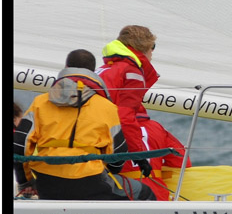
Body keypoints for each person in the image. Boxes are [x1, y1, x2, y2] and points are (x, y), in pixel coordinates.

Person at [14, 49, 156, 200]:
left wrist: (26, 182)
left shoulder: (40, 102)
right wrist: (107, 170)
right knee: (144, 194)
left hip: (47, 182)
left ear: (66, 67)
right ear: (93, 71)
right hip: (91, 180)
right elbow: (118, 155)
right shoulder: (106, 107)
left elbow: (19, 145)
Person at [96, 25, 159, 179]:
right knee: (145, 194)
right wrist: (139, 156)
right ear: (144, 47)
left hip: (88, 138)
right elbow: (124, 117)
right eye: (153, 47)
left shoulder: (104, 69)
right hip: (101, 141)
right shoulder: (131, 72)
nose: (152, 53)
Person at [119, 111, 191, 200]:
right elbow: (182, 161)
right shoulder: (156, 127)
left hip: (124, 194)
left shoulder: (111, 129)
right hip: (158, 194)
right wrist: (156, 168)